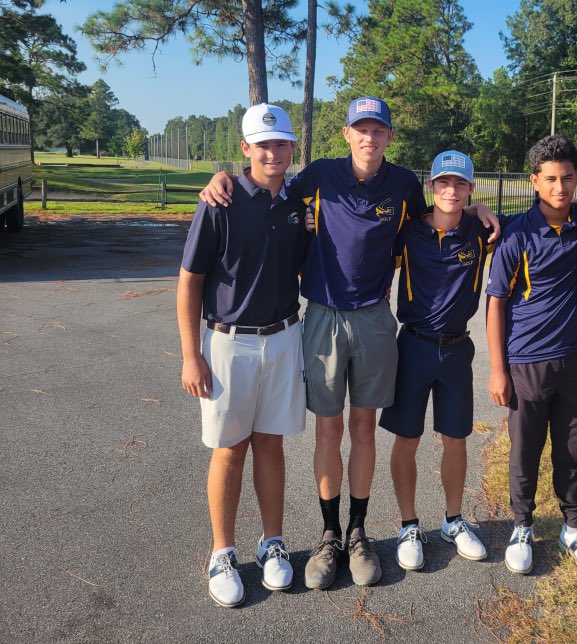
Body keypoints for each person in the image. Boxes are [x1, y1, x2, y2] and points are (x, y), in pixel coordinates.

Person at [199, 97, 497, 589]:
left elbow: (441, 218)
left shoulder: (402, 184)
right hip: (320, 318)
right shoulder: (317, 175)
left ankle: (358, 532)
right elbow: (268, 188)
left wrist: (481, 207)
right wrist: (223, 176)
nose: (369, 138)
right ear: (346, 134)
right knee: (327, 431)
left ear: (389, 137)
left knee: (364, 428)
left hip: (375, 320)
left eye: (378, 130)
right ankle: (329, 534)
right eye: (361, 129)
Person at [177, 103, 308, 607]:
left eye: (281, 143)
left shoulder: (299, 205)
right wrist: (191, 356)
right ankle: (223, 551)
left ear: (292, 147)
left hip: (282, 336)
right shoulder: (220, 201)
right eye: (263, 144)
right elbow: (190, 282)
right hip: (228, 342)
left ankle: (272, 542)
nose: (272, 152)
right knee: (229, 448)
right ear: (245, 149)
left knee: (271, 444)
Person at [485, 135, 577, 577]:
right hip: (526, 362)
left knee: (572, 449)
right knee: (525, 449)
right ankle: (522, 526)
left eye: (567, 179)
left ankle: (573, 525)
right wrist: (498, 370)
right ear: (534, 182)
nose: (559, 188)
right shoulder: (516, 235)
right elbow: (496, 303)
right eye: (550, 180)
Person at [379, 150, 492, 571]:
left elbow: (543, 213)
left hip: (458, 349)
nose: (451, 190)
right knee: (406, 438)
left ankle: (453, 519)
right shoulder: (406, 234)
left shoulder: (482, 232)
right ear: (431, 187)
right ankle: (409, 524)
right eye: (444, 182)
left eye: (460, 184)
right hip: (413, 346)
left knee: (455, 438)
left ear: (470, 189)